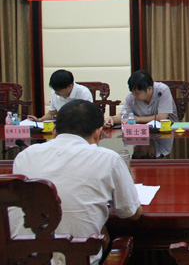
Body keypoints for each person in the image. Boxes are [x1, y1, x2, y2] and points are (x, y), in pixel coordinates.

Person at [10, 99, 142, 265]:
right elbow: (132, 213)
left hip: (22, 260)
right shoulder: (108, 159)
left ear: (54, 131)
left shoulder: (24, 156)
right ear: (98, 133)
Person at [104, 70, 178, 127]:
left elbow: (162, 117)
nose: (134, 96)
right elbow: (124, 116)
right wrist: (112, 119)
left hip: (166, 130)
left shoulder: (162, 90)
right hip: (141, 131)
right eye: (133, 93)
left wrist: (138, 119)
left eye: (137, 94)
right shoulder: (131, 96)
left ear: (149, 89)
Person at [28, 69, 93, 122]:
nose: (56, 93)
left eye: (58, 90)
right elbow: (52, 113)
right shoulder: (54, 92)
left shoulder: (83, 93)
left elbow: (87, 116)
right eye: (54, 89)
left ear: (69, 86)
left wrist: (64, 118)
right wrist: (39, 120)